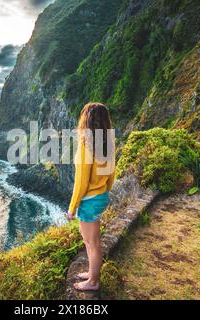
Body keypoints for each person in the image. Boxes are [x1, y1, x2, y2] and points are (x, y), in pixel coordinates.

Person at [66, 102, 115, 291]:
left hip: (89, 200)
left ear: (86, 121)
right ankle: (92, 273)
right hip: (101, 196)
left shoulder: (86, 146)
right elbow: (112, 173)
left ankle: (93, 282)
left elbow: (81, 183)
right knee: (92, 241)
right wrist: (104, 191)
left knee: (91, 242)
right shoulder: (108, 144)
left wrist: (72, 207)